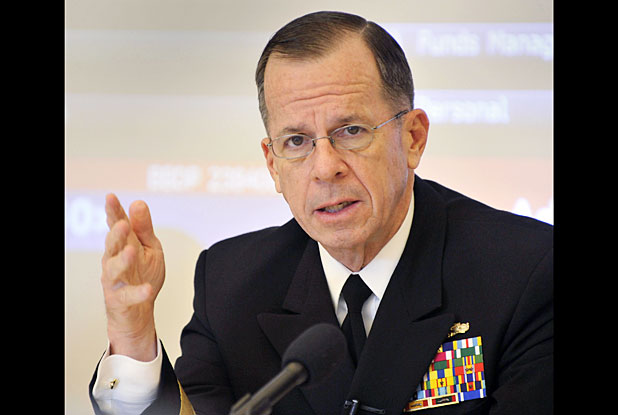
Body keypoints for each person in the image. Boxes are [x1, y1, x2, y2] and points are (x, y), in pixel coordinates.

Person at [89, 11, 553, 415]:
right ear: (273, 164)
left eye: (351, 130)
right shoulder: (230, 284)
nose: (325, 167)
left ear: (412, 138)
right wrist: (132, 338)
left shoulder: (526, 272)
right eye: (297, 141)